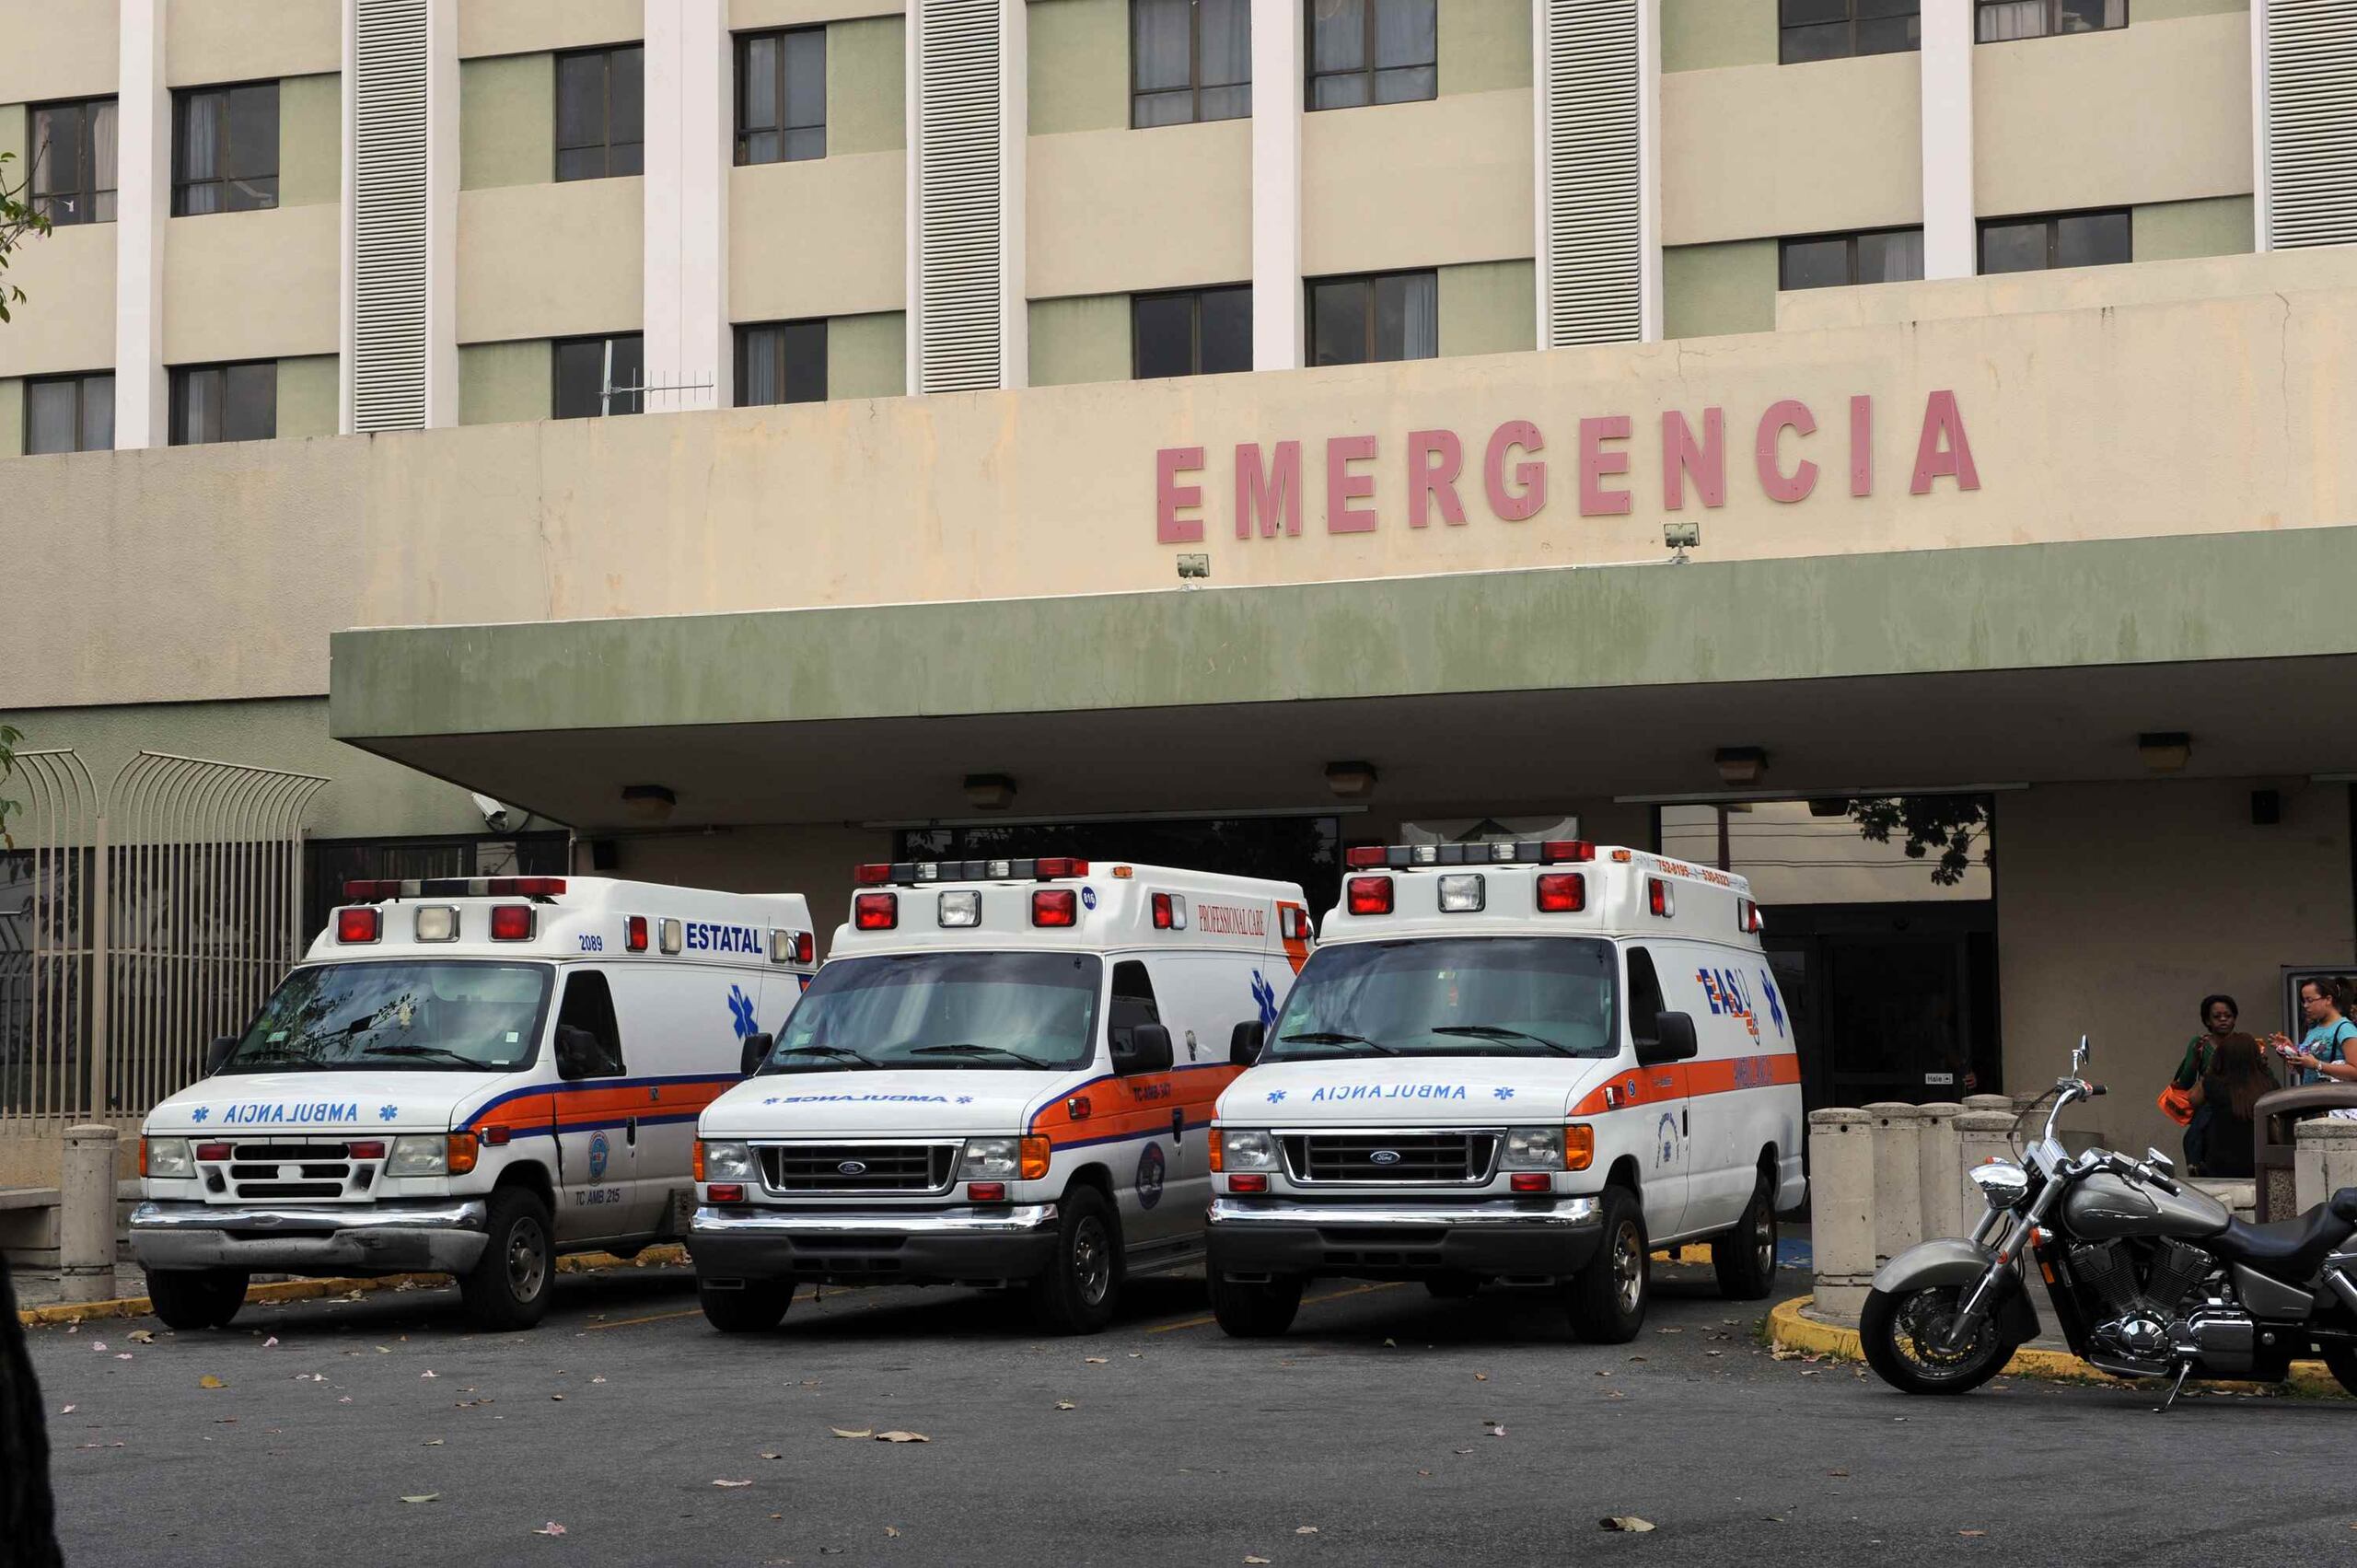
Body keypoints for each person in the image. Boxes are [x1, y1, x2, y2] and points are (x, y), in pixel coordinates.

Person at [2172, 993, 2245, 1171]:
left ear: (2234, 1018)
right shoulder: (2200, 1044)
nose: (2223, 1020)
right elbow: (2184, 1083)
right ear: (2207, 1020)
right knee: (2193, 1136)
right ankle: (2195, 1166)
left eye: (2228, 1016)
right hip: (2209, 1103)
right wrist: (2195, 1060)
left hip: (2238, 1103)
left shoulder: (2243, 1043)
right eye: (2217, 1017)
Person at [2188, 1035, 2271, 1179]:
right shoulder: (2268, 1084)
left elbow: (2192, 1099)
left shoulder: (2213, 1083)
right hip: (2258, 1163)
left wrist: (2211, 1067)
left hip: (2218, 1164)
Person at [2269, 976, 2357, 1086]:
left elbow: (2355, 1071)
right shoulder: (2313, 1029)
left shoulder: (2345, 1029)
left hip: (2336, 1099)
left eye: (2310, 1000)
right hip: (2313, 1097)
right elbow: (2307, 1072)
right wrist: (2289, 1051)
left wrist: (2317, 1065)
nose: (2305, 1006)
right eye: (2303, 1001)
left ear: (2328, 1000)